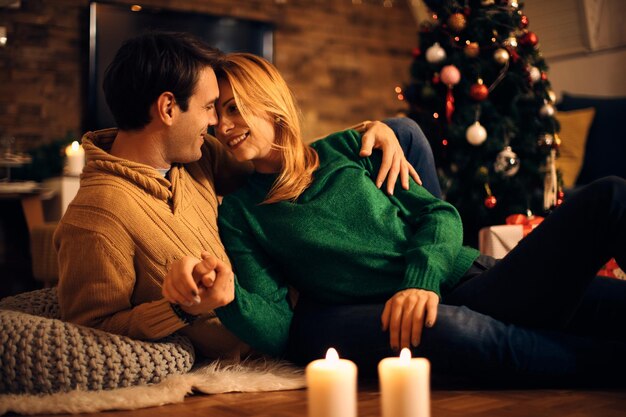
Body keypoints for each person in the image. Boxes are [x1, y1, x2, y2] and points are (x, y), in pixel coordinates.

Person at [164, 52, 626, 384]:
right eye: (215, 114)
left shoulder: (351, 147)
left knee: (610, 199)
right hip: (434, 319)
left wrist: (420, 279)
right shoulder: (243, 214)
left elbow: (439, 214)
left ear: (269, 101)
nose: (223, 127)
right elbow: (277, 326)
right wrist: (228, 300)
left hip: (475, 278)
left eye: (233, 107)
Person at [54, 31, 426, 360]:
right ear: (169, 108)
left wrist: (374, 132)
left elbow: (279, 158)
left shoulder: (199, 159)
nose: (216, 123)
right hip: (278, 335)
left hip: (301, 296)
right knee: (458, 329)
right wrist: (181, 309)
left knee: (405, 131)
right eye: (208, 108)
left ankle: (435, 269)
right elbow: (89, 335)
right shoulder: (96, 216)